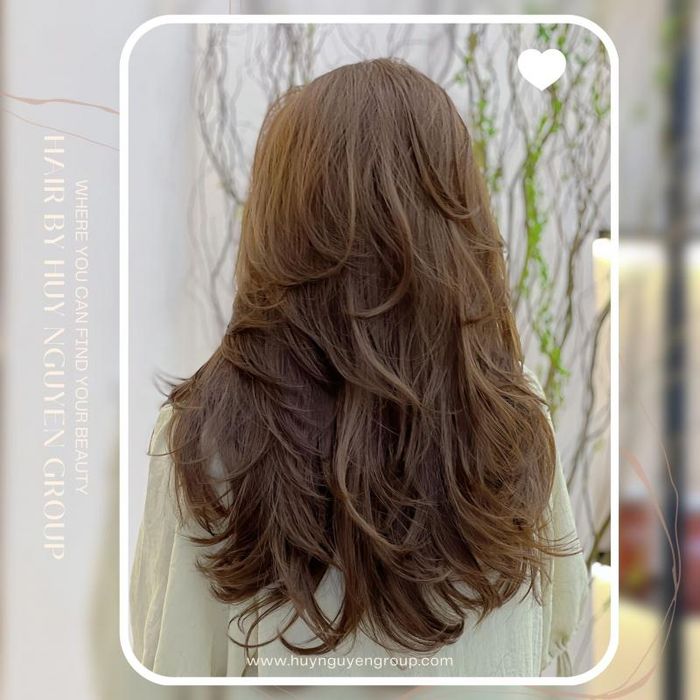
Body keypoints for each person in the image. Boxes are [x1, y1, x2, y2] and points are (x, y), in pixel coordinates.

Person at [130, 58, 588, 678]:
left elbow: (166, 669)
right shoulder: (514, 416)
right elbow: (555, 637)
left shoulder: (205, 432)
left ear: (280, 225)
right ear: (458, 219)